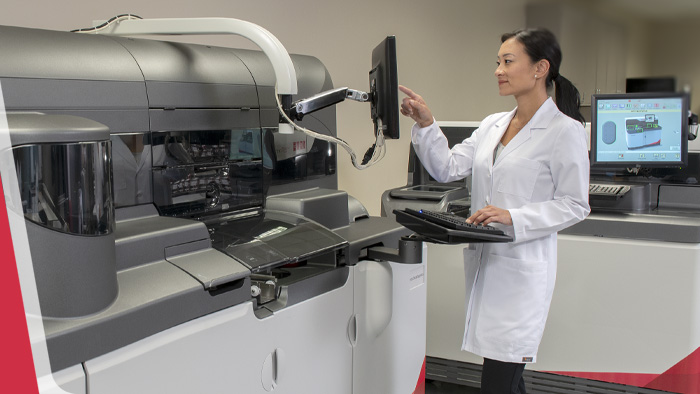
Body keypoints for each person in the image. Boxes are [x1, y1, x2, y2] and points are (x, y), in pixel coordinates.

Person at [399, 28, 590, 394]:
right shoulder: (492, 125)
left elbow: (575, 204)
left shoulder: (565, 131)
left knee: (499, 380)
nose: (498, 70)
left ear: (540, 68)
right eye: (497, 62)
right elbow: (448, 168)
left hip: (521, 272)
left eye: (507, 61)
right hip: (487, 265)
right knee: (503, 379)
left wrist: (513, 216)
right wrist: (426, 123)